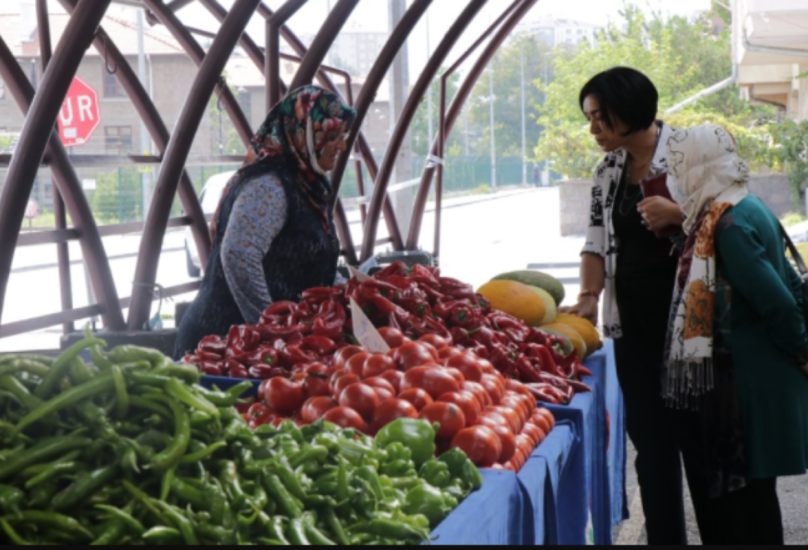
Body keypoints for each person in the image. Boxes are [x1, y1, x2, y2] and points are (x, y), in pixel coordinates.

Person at [561, 67, 690, 545]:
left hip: (692, 325)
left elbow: (736, 220)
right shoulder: (607, 171)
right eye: (589, 119)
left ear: (628, 109)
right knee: (651, 447)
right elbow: (595, 244)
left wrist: (681, 214)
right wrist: (588, 298)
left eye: (598, 118)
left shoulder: (690, 152)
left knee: (701, 443)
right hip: (631, 326)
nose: (592, 129)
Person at [664, 125, 808, 545]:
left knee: (744, 506)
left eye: (678, 166)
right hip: (752, 376)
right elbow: (791, 283)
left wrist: (802, 352)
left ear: (697, 166)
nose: (674, 178)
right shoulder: (743, 203)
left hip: (746, 386)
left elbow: (777, 300)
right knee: (753, 497)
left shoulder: (727, 225)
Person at [174, 86, 356, 359]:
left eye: (342, 136)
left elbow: (308, 262)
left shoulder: (308, 184)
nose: (341, 146)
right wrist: (271, 328)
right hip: (221, 348)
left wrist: (350, 293)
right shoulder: (269, 185)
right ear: (302, 135)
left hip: (254, 349)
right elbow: (239, 254)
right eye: (331, 137)